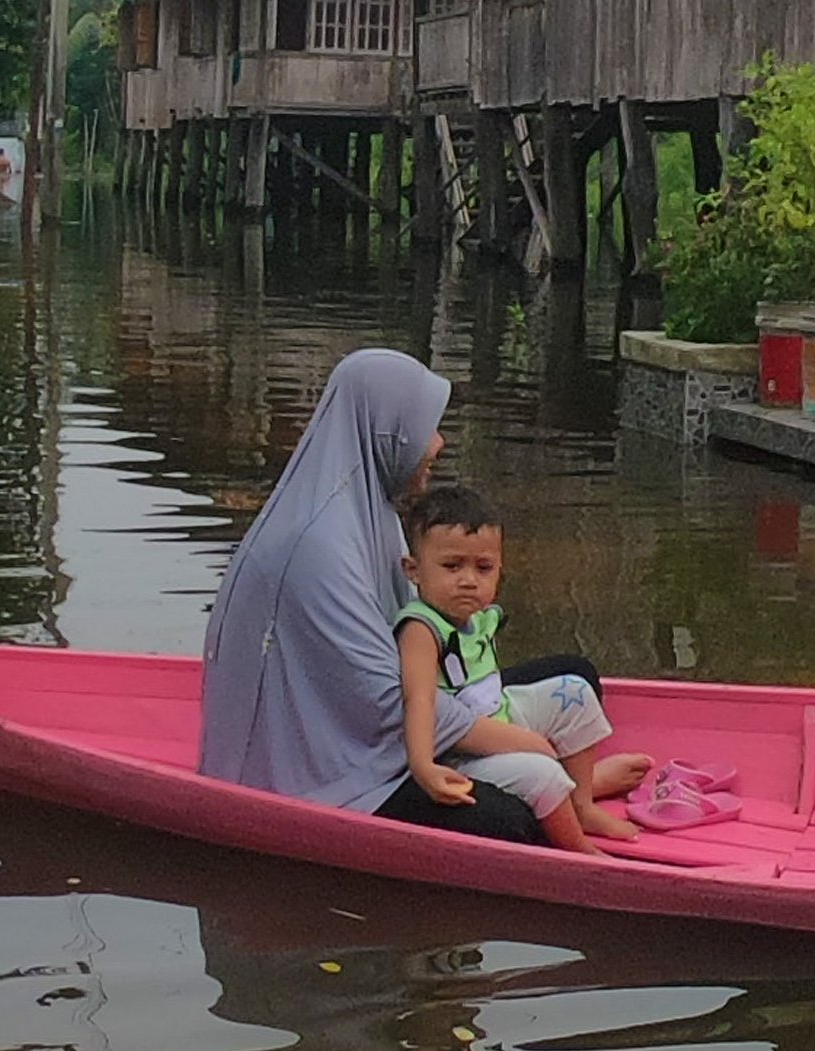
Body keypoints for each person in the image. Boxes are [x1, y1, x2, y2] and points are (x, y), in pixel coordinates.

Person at [197, 346, 562, 847]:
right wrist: (529, 745)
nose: (437, 443)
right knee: (508, 821)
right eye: (425, 427)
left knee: (574, 674)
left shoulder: (375, 513)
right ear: (389, 430)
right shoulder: (319, 546)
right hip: (330, 763)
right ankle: (563, 787)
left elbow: (416, 651)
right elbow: (388, 701)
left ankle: (561, 781)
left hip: (394, 705)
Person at [393, 479, 657, 853]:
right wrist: (423, 766)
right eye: (452, 566)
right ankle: (576, 847)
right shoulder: (421, 628)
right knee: (543, 773)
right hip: (457, 752)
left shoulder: (477, 615)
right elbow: (419, 701)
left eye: (483, 568)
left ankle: (581, 804)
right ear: (413, 570)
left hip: (497, 712)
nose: (469, 581)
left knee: (574, 693)